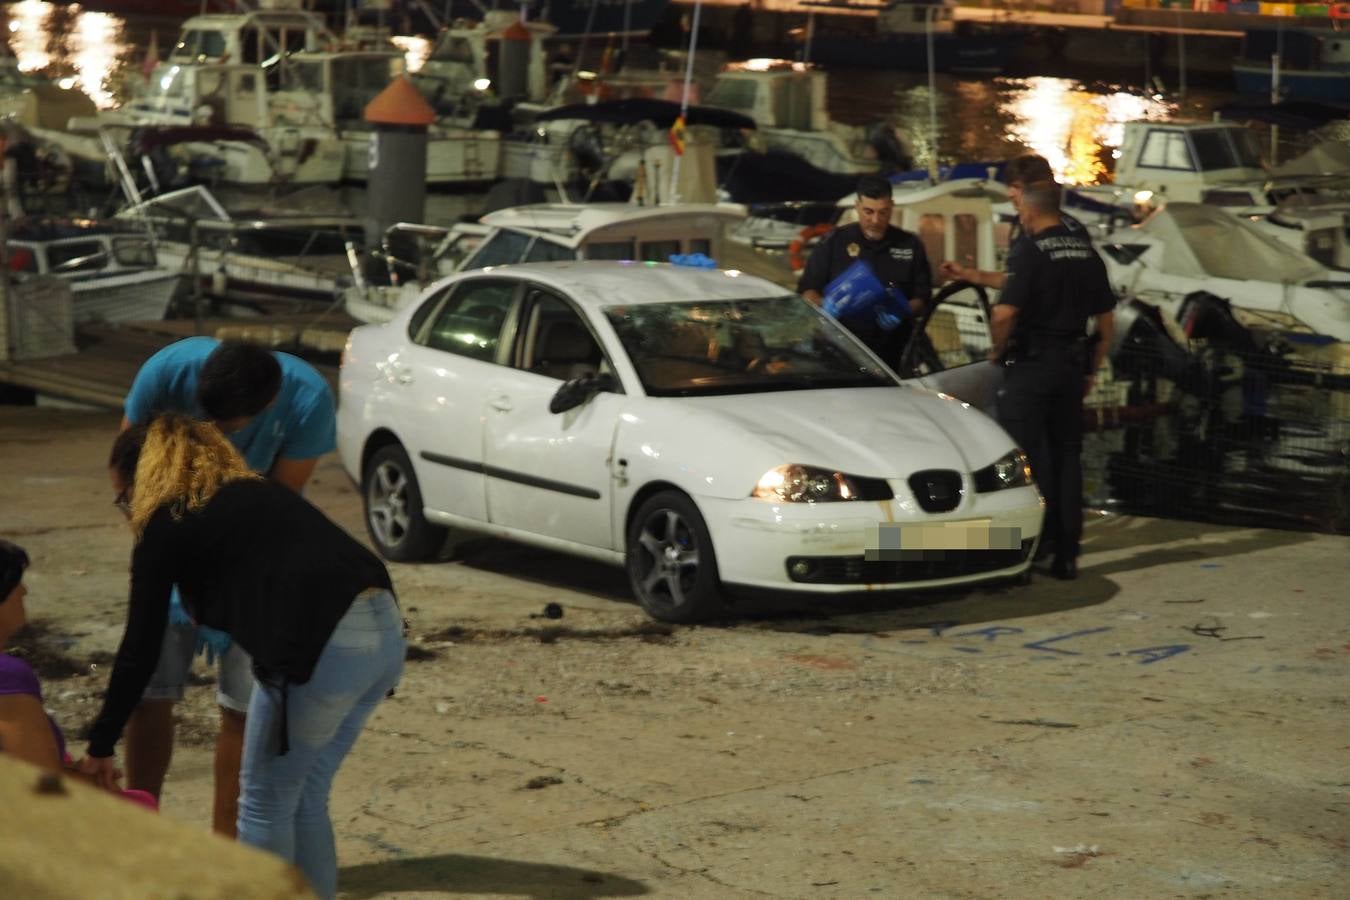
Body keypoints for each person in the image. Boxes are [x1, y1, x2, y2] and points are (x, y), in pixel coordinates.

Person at [81, 414, 403, 900]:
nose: (128, 510)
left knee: (264, 804)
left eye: (125, 497)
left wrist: (101, 743)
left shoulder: (167, 520)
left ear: (143, 478)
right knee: (303, 796)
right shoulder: (259, 492)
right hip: (383, 635)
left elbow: (140, 647)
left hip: (325, 646)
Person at [119, 336, 336, 836]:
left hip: (252, 565)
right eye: (207, 420)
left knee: (243, 709)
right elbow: (127, 473)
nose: (215, 435)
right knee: (149, 694)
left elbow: (279, 508)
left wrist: (224, 583)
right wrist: (164, 557)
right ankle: (138, 833)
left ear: (267, 407)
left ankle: (227, 845)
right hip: (170, 545)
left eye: (230, 427)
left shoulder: (308, 399)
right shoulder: (166, 370)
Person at [989, 182, 1115, 580]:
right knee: (1066, 457)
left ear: (1028, 210)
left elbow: (1004, 314)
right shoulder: (1086, 250)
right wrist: (1093, 367)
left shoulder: (1030, 250)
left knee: (1019, 460)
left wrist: (996, 351)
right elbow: (1106, 321)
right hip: (1072, 365)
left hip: (1032, 364)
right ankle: (1066, 555)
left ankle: (1021, 552)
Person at [0, 539, 156, 809]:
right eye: (15, 583)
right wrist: (91, 783)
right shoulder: (8, 677)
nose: (24, 591)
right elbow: (43, 790)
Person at [798, 173, 931, 367]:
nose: (876, 220)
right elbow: (807, 289)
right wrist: (824, 305)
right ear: (857, 206)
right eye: (869, 211)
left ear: (892, 206)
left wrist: (902, 310)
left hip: (892, 351)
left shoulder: (910, 244)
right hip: (840, 347)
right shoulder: (834, 241)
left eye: (883, 212)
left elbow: (923, 297)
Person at [938, 152, 1085, 291]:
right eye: (1009, 186)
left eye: (1017, 187)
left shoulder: (1071, 231)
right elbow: (1013, 280)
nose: (1010, 194)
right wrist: (967, 274)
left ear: (1039, 188)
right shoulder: (1020, 226)